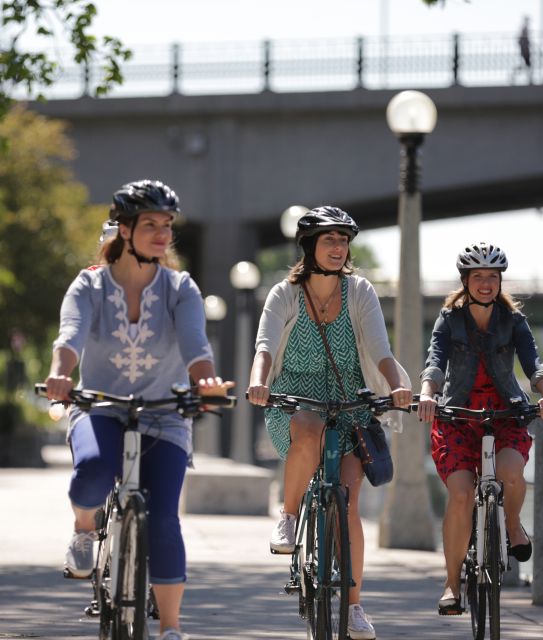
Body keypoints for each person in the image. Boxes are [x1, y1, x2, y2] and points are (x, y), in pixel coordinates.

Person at [44, 179, 232, 640]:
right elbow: (70, 336)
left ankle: (170, 627)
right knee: (91, 469)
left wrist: (205, 380)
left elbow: (195, 345)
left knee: (165, 518)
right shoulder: (89, 284)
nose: (163, 234)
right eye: (151, 224)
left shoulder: (179, 287)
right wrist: (60, 373)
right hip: (100, 407)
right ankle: (85, 528)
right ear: (124, 230)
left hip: (165, 413)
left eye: (167, 225)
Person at [247, 206, 412, 640]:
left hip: (350, 407)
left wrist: (397, 385)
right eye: (329, 240)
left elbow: (380, 347)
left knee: (350, 502)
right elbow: (265, 345)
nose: (338, 248)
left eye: (343, 241)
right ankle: (287, 514)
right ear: (309, 248)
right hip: (293, 402)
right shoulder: (284, 294)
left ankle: (354, 606)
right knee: (307, 427)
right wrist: (257, 381)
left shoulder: (359, 292)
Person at [415, 242, 543, 615]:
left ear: (499, 282)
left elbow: (534, 364)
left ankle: (512, 526)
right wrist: (428, 394)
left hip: (504, 414)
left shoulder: (513, 321)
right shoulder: (449, 319)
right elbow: (434, 363)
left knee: (511, 472)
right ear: (465, 281)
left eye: (492, 277)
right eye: (478, 276)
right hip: (458, 416)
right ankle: (451, 585)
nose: (485, 283)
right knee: (461, 494)